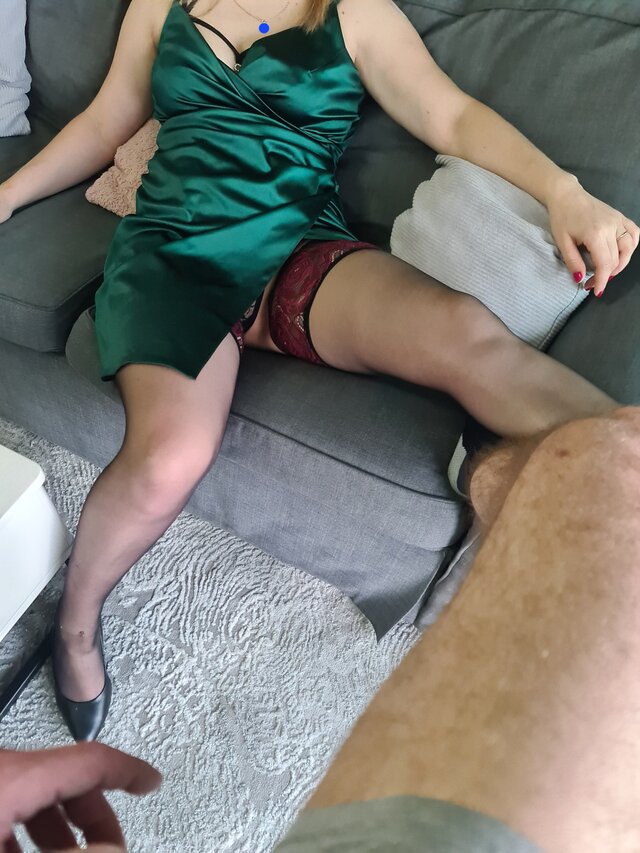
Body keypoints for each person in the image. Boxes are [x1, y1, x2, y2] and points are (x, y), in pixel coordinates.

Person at [0, 0, 637, 742]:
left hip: (298, 246)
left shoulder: (355, 11)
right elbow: (105, 124)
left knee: (463, 330)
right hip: (175, 254)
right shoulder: (161, 5)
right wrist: (7, 195)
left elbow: (454, 118)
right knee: (170, 455)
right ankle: (75, 623)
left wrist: (562, 191)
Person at [2, 404, 640, 851]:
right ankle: (75, 627)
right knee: (172, 453)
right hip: (192, 264)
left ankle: (487, 469)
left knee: (476, 338)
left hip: (296, 260)